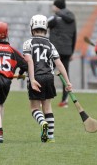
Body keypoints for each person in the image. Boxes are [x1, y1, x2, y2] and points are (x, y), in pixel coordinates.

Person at [22, 14, 72, 143]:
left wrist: (31, 78)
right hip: (49, 77)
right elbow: (59, 64)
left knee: (34, 108)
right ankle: (50, 137)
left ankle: (42, 122)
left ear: (32, 29)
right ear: (46, 29)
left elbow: (28, 62)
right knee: (48, 108)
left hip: (36, 77)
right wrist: (67, 81)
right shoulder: (51, 45)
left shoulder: (28, 43)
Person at [48, 0, 76, 108]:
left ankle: (43, 97)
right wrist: (72, 51)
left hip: (55, 50)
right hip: (67, 51)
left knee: (47, 71)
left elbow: (43, 26)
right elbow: (74, 35)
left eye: (53, 5)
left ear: (57, 6)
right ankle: (65, 101)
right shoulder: (72, 18)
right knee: (65, 75)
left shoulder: (55, 17)